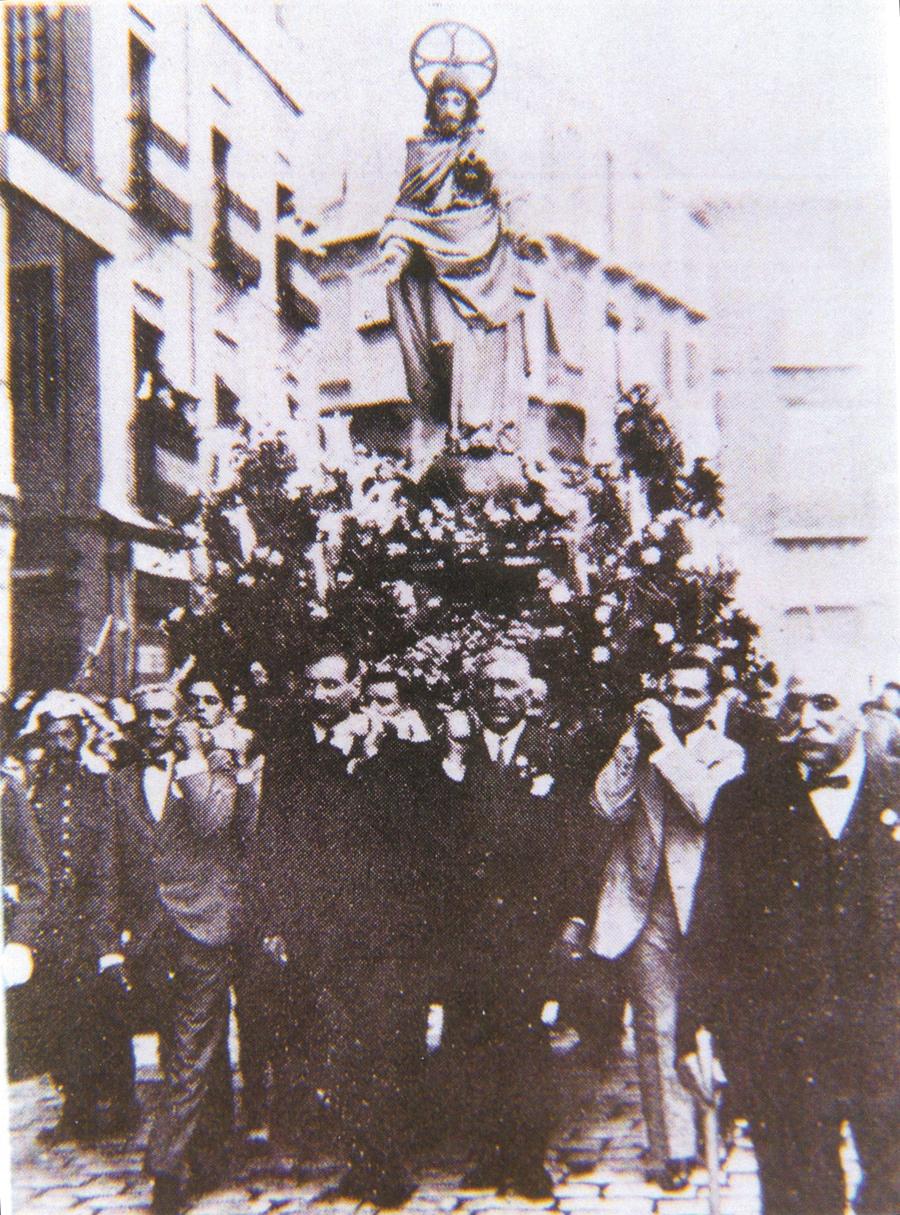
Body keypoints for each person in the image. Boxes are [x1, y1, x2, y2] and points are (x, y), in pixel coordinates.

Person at [678, 656, 900, 1215]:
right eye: (793, 706)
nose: (805, 720)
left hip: (888, 1040)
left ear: (865, 711)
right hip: (783, 1043)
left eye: (824, 704)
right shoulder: (744, 802)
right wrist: (691, 1032)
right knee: (798, 1197)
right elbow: (712, 924)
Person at [255, 648, 441, 1207]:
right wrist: (278, 920)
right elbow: (275, 840)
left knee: (381, 1044)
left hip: (383, 928)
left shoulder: (399, 750)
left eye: (333, 684)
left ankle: (389, 1169)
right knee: (337, 1046)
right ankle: (364, 1164)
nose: (321, 695)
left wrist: (374, 756)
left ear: (357, 686)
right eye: (313, 685)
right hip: (321, 926)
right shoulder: (292, 755)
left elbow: (415, 832)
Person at [586, 653, 745, 1190]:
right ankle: (672, 1151)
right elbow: (605, 807)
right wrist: (632, 744)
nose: (677, 703)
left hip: (705, 906)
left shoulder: (727, 752)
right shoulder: (642, 744)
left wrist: (668, 748)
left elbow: (707, 807)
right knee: (655, 1027)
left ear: (711, 701)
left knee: (708, 1024)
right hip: (643, 905)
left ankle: (714, 1130)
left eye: (691, 694)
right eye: (670, 690)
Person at [437, 645, 591, 1199]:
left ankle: (528, 1158)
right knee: (474, 1038)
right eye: (489, 685)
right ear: (475, 693)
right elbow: (440, 839)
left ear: (529, 692)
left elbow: (578, 842)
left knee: (526, 1039)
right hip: (470, 925)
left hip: (533, 925)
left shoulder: (555, 752)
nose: (499, 696)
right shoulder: (455, 753)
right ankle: (486, 1152)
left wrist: (574, 918)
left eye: (509, 686)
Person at [108, 684, 240, 1215]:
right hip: (151, 936)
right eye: (146, 716)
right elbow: (111, 865)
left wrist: (194, 756)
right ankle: (212, 1153)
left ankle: (165, 1170)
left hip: (204, 924)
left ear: (184, 717)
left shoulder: (215, 766)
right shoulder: (119, 783)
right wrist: (112, 941)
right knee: (181, 1044)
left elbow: (215, 825)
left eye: (166, 714)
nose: (155, 724)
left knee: (189, 1047)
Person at [376, 70, 541, 451]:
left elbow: (510, 195)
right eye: (443, 100)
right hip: (436, 263)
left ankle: (479, 430)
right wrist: (396, 252)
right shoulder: (419, 153)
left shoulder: (484, 149)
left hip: (485, 260)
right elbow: (406, 214)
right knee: (444, 343)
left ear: (469, 107)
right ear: (432, 105)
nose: (450, 108)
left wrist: (524, 234)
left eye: (458, 100)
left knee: (485, 342)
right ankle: (455, 430)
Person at [8, 692, 134, 1142]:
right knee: (62, 1017)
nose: (61, 745)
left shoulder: (100, 788)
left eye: (68, 736)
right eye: (54, 737)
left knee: (103, 1012)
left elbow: (108, 864)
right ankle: (75, 1107)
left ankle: (121, 1101)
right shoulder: (35, 790)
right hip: (53, 923)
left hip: (91, 919)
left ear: (78, 737)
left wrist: (109, 932)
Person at [185, 673, 269, 1148]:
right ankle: (214, 1120)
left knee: (255, 1007)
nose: (201, 708)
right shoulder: (186, 759)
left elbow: (253, 828)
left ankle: (257, 1102)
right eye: (194, 700)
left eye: (210, 701)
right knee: (206, 1013)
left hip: (248, 903)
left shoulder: (248, 756)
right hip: (204, 905)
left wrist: (237, 771)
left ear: (227, 708)